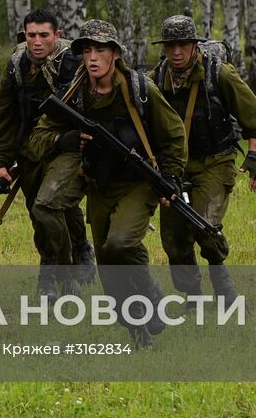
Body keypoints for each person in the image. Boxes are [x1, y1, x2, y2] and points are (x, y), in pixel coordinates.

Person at [27, 20, 185, 348]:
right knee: (109, 270)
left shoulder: (140, 88)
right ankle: (137, 331)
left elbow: (173, 135)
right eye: (87, 51)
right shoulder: (74, 92)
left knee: (121, 244)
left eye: (100, 50)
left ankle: (152, 294)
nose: (93, 58)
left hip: (138, 183)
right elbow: (38, 137)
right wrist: (64, 139)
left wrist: (170, 179)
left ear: (115, 54)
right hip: (99, 184)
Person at [149, 15, 256, 302]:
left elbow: (253, 115)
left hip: (215, 160)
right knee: (174, 238)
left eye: (183, 45)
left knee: (205, 223)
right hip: (175, 166)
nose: (176, 52)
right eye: (170, 46)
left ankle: (221, 279)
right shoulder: (157, 79)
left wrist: (253, 154)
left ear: (194, 45)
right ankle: (192, 297)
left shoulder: (219, 74)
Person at [0, 8, 94, 298]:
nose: (37, 42)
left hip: (69, 147)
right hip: (31, 148)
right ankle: (68, 255)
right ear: (24, 35)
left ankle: (58, 272)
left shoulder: (75, 63)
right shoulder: (18, 65)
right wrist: (0, 163)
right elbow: (2, 116)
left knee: (51, 204)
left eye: (44, 35)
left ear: (57, 34)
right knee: (39, 212)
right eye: (31, 35)